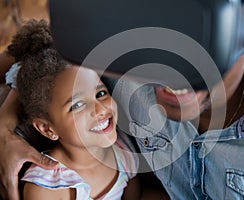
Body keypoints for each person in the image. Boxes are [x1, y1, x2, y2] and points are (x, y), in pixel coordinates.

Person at [1, 0, 244, 199]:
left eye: (199, 41)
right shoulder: (124, 73)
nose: (171, 74)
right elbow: (39, 56)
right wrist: (5, 127)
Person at [1, 19, 141, 200]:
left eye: (100, 94)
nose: (100, 109)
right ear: (47, 129)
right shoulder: (46, 187)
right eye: (77, 105)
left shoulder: (123, 153)